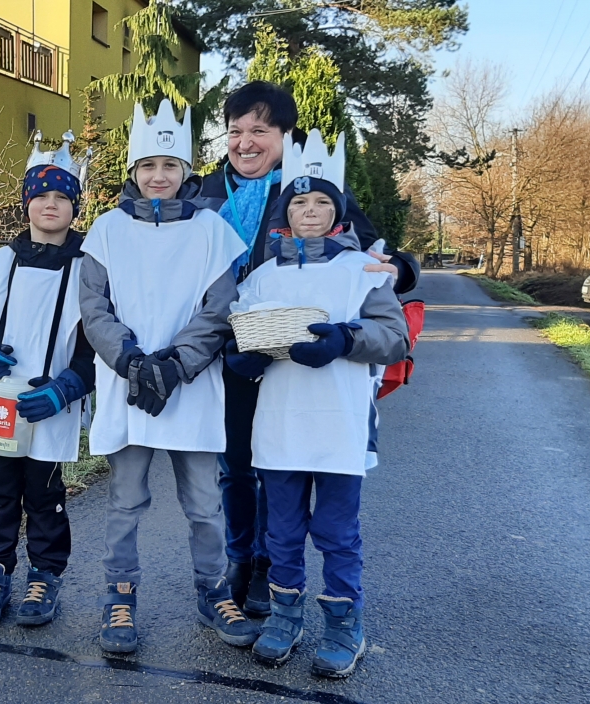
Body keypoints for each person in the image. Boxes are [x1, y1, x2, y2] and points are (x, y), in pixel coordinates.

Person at [195, 81, 419, 617]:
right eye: (236, 132)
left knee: (278, 456)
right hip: (226, 346)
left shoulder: (308, 189)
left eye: (260, 131)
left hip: (292, 353)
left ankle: (270, 568)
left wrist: (404, 269)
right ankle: (240, 558)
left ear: (285, 136)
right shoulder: (203, 191)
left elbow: (376, 256)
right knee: (234, 464)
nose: (246, 143)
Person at [224, 129, 409, 677]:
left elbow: (393, 336)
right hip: (278, 424)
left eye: (322, 202)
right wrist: (246, 357)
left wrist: (344, 341)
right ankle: (285, 615)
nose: (310, 211)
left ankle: (343, 621)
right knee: (279, 530)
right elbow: (242, 334)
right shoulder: (261, 275)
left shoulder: (364, 271)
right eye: (299, 202)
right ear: (286, 212)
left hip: (339, 424)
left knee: (335, 531)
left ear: (339, 211)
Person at [78, 99, 259, 653]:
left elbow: (219, 305)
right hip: (127, 383)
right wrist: (133, 362)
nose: (159, 176)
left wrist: (176, 364)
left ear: (186, 172)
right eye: (148, 166)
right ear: (134, 171)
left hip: (191, 385)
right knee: (126, 501)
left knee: (204, 502)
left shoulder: (211, 230)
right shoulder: (106, 230)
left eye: (170, 166)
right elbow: (94, 307)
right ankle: (120, 595)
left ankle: (213, 592)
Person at [0, 132, 95, 629]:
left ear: (74, 205)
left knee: (45, 493)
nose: (51, 204)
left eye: (62, 196)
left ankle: (45, 575)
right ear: (26, 204)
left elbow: (92, 345)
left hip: (50, 401)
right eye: (41, 196)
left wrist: (67, 387)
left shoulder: (91, 270)